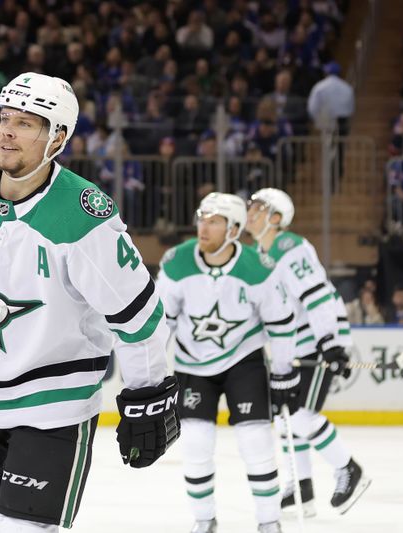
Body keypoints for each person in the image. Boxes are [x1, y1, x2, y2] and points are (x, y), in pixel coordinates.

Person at [0, 72, 179, 533]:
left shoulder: (83, 215)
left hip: (52, 408)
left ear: (57, 137)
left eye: (25, 123)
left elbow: (138, 317)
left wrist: (148, 392)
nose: (6, 131)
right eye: (3, 118)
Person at [156, 192, 297, 533]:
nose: (204, 227)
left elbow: (281, 323)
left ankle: (268, 521)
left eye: (214, 221)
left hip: (243, 360)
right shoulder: (176, 261)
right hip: (192, 365)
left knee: (256, 442)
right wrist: (155, 373)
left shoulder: (258, 267)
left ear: (234, 229)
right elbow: (162, 324)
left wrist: (283, 372)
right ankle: (204, 520)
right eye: (202, 218)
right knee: (196, 443)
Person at [246, 188, 371, 517]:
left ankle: (348, 469)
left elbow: (316, 294)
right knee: (286, 417)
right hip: (294, 344)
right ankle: (301, 486)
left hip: (317, 339)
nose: (250, 211)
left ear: (275, 217)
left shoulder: (290, 247)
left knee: (301, 414)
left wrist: (330, 342)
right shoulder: (259, 253)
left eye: (257, 207)